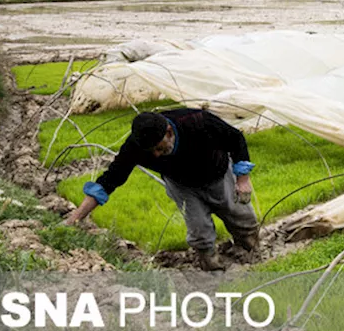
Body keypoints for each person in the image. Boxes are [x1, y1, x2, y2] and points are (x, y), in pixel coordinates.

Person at [65, 108, 258, 270]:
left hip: (218, 173)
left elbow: (235, 138)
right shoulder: (135, 147)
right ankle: (211, 267)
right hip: (182, 185)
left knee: (241, 217)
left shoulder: (197, 122)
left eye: (159, 148)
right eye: (151, 152)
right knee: (199, 230)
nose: (156, 155)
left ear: (169, 132)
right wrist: (77, 216)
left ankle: (252, 254)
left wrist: (242, 179)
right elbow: (111, 179)